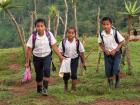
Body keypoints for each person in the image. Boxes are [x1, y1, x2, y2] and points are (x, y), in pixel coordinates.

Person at [25, 18, 64, 95]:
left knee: (47, 70)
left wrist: (61, 57)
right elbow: (29, 50)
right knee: (39, 75)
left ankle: (45, 89)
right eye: (38, 26)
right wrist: (27, 62)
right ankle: (39, 88)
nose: (40, 28)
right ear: (35, 27)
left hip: (47, 56)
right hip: (36, 57)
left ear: (45, 27)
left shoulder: (49, 35)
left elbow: (54, 47)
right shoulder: (33, 36)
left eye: (41, 26)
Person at [98, 17, 125, 88]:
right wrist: (105, 50)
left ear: (111, 24)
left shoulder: (115, 32)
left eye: (107, 24)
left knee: (115, 68)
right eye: (104, 24)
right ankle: (110, 83)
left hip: (116, 53)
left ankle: (117, 81)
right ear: (102, 25)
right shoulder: (101, 34)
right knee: (108, 70)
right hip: (107, 54)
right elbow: (100, 43)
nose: (106, 26)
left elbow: (122, 42)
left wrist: (115, 50)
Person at [59, 27, 86, 92]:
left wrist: (83, 62)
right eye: (69, 33)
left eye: (72, 33)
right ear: (66, 34)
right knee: (66, 75)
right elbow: (60, 52)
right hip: (65, 60)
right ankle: (66, 86)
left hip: (74, 59)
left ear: (75, 34)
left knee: (74, 74)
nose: (70, 34)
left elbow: (82, 52)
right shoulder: (63, 42)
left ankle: (73, 88)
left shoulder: (78, 42)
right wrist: (60, 62)